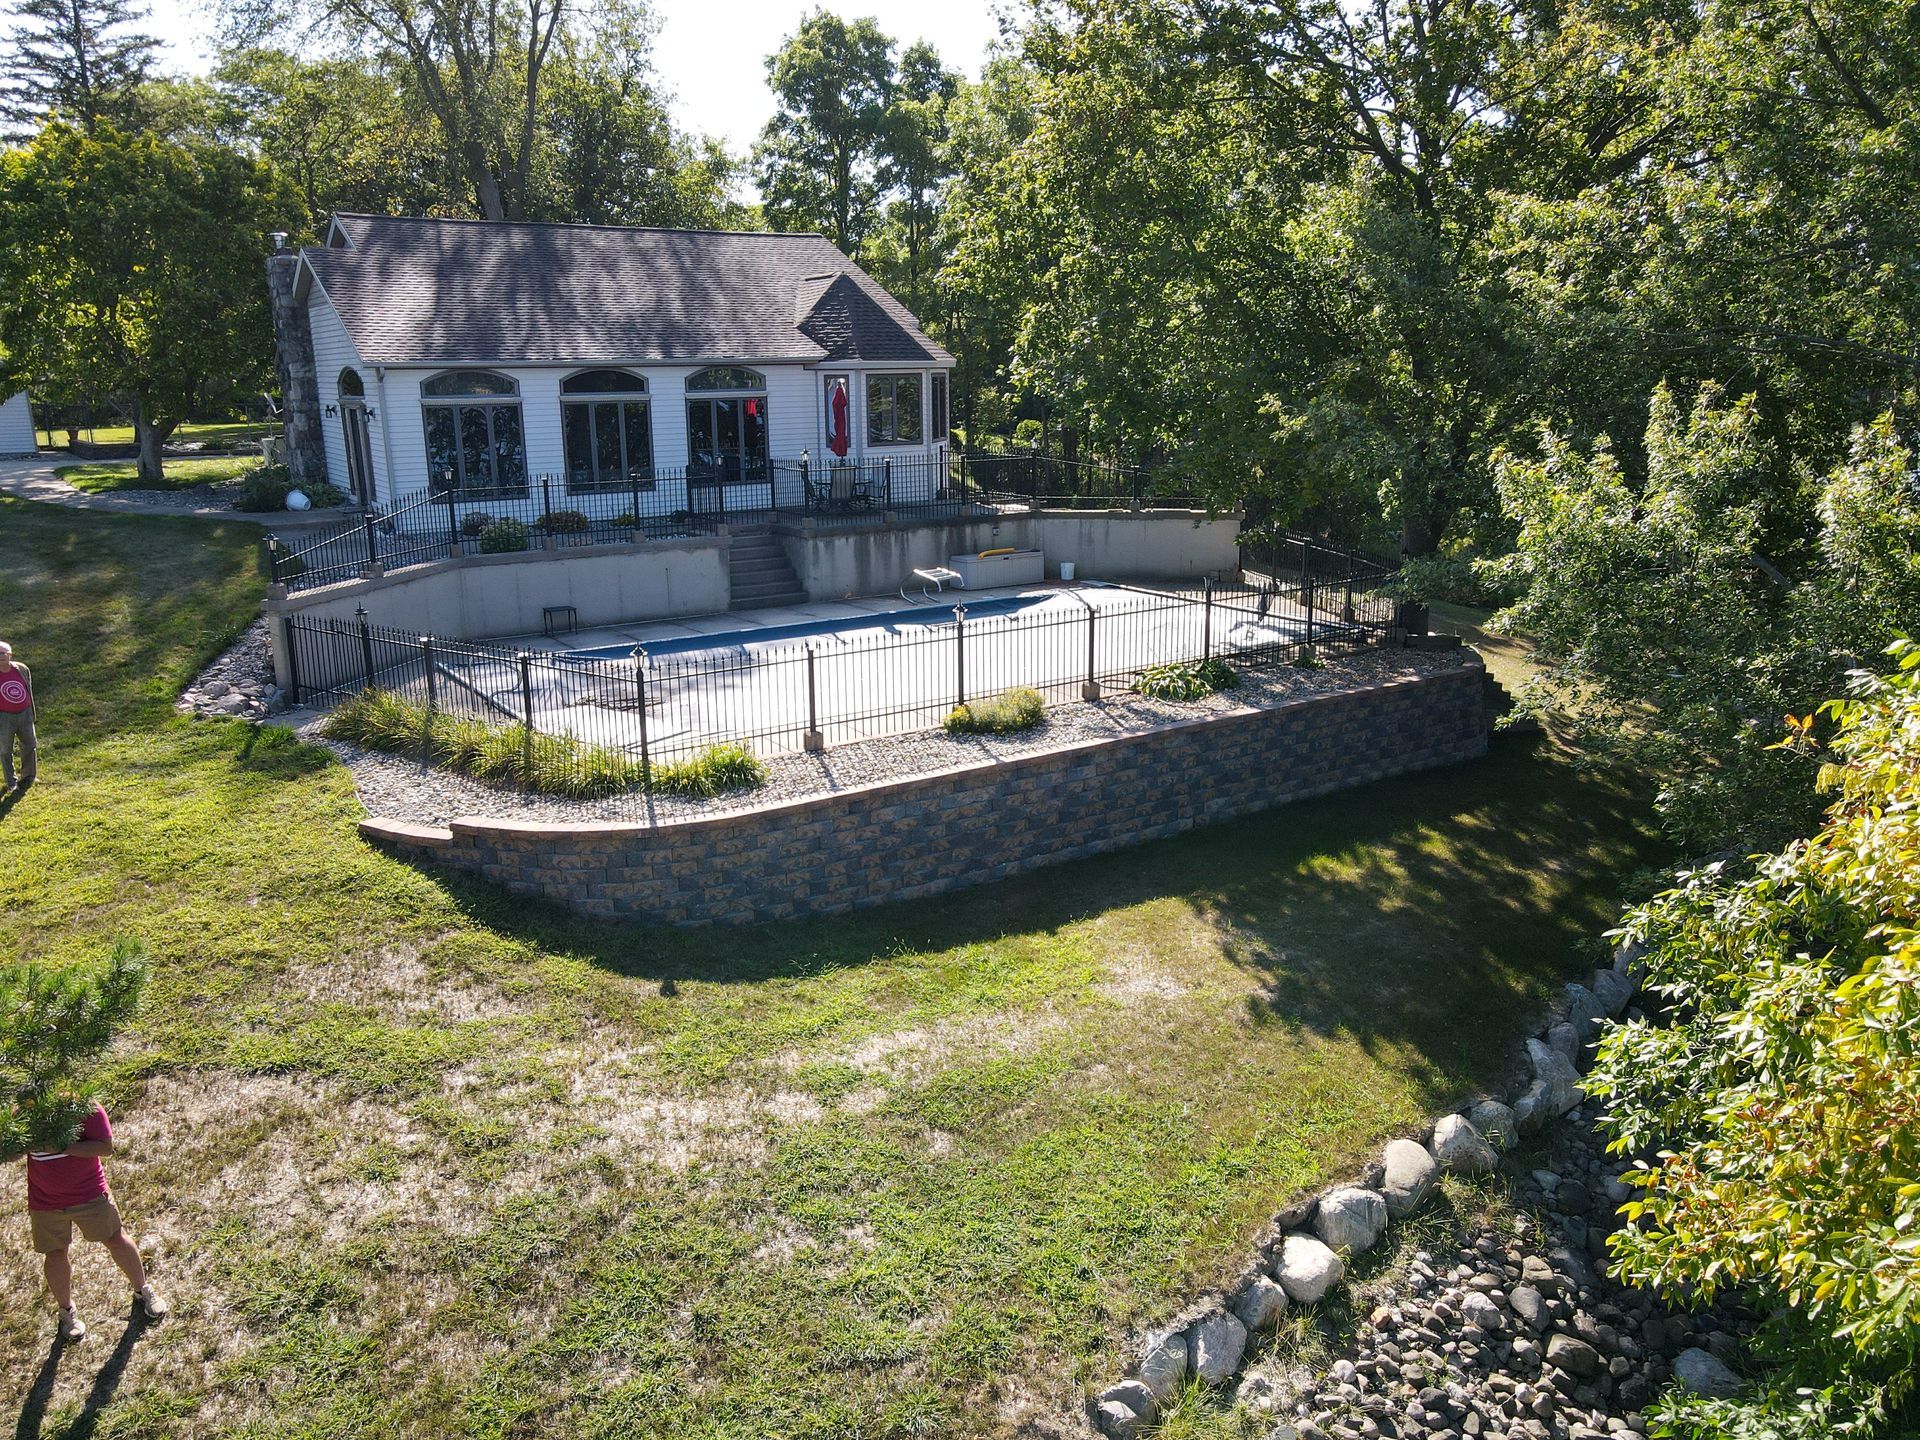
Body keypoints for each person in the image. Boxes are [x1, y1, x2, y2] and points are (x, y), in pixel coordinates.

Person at [27, 1101, 167, 1340]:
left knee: (116, 1239)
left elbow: (105, 1147)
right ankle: (66, 1311)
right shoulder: (27, 1110)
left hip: (90, 1194)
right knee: (55, 1253)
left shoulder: (84, 1105)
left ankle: (143, 1290)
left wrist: (59, 1146)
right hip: (45, 1202)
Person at [0, 641, 35, 792]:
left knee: (30, 744)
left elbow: (29, 690)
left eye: (2, 653)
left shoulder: (21, 668)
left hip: (25, 713)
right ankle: (11, 783)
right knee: (5, 750)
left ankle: (28, 776)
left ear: (10, 655)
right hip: (4, 716)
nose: (0, 657)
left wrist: (32, 712)